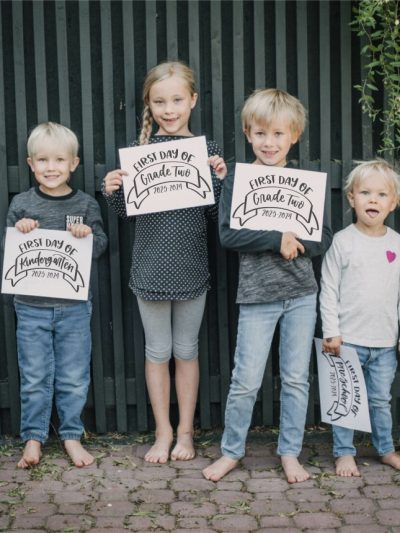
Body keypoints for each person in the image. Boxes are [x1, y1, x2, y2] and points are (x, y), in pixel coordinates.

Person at [202, 88, 332, 484]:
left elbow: (321, 238)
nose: (269, 142)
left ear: (293, 136)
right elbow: (228, 234)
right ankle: (231, 452)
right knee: (246, 379)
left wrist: (297, 242)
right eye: (261, 134)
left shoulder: (307, 182)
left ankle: (290, 453)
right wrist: (276, 238)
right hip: (257, 296)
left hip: (301, 295)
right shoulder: (238, 178)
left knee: (295, 378)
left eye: (278, 134)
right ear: (247, 133)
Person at [103, 61, 226, 464]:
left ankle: (186, 434)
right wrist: (113, 190)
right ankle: (163, 431)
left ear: (192, 100)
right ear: (149, 105)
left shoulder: (205, 153)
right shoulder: (139, 153)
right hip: (150, 268)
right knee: (157, 351)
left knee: (186, 350)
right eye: (160, 101)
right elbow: (127, 214)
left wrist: (219, 181)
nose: (169, 109)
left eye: (177, 100)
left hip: (192, 268)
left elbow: (215, 218)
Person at [6, 122, 108, 468]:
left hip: (74, 308)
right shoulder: (21, 204)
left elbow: (101, 244)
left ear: (74, 163)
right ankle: (33, 439)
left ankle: (71, 436)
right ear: (30, 163)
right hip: (31, 308)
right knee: (34, 376)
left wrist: (85, 236)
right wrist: (17, 231)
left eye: (59, 160)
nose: (51, 168)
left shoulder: (84, 204)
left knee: (73, 376)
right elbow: (10, 250)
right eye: (43, 160)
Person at [320, 160, 400, 477]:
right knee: (346, 399)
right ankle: (343, 452)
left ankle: (385, 449)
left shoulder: (396, 244)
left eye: (382, 194)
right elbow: (328, 289)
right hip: (348, 339)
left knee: (380, 400)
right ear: (352, 197)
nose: (373, 200)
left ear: (393, 203)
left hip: (385, 342)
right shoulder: (343, 241)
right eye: (365, 192)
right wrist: (332, 332)